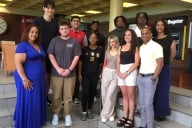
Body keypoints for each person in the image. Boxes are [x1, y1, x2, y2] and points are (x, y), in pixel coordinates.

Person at [47, 20, 81, 126]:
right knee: (56, 95)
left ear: (69, 29)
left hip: (70, 74)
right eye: (62, 28)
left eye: (66, 28)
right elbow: (50, 55)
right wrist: (58, 68)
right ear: (59, 30)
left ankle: (67, 115)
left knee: (68, 96)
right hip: (56, 74)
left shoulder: (74, 42)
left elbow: (77, 57)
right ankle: (56, 114)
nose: (64, 30)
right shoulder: (54, 41)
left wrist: (69, 69)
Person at [14, 24, 47, 128]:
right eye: (32, 32)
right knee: (29, 100)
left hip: (39, 79)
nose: (34, 34)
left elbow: (42, 60)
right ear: (27, 33)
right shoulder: (23, 45)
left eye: (36, 32)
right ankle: (28, 123)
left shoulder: (39, 45)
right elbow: (18, 63)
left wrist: (44, 74)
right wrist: (24, 79)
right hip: (27, 78)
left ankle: (37, 120)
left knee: (37, 100)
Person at [33, 0, 58, 105]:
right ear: (43, 8)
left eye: (52, 8)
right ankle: (36, 96)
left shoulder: (56, 23)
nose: (50, 10)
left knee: (47, 76)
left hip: (51, 54)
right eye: (47, 8)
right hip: (38, 54)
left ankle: (45, 97)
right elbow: (32, 37)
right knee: (38, 75)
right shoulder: (37, 22)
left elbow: (58, 39)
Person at [137, 27, 164, 128]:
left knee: (148, 104)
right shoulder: (142, 47)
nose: (144, 35)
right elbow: (142, 62)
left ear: (151, 34)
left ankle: (150, 126)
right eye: (142, 34)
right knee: (142, 104)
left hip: (150, 78)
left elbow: (160, 63)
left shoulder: (156, 46)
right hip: (141, 77)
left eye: (146, 33)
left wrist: (154, 77)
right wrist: (139, 74)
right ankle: (143, 125)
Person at [152, 19, 176, 121]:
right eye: (158, 25)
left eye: (162, 25)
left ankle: (161, 112)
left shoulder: (170, 39)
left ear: (164, 26)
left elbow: (172, 54)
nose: (160, 27)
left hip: (165, 68)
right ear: (155, 27)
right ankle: (153, 110)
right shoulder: (152, 39)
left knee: (163, 90)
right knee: (154, 90)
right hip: (154, 68)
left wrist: (166, 64)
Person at [116, 29, 140, 128]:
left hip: (131, 71)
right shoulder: (120, 47)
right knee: (124, 95)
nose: (127, 36)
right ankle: (125, 115)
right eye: (125, 35)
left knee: (131, 96)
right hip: (121, 72)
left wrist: (127, 72)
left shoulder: (136, 47)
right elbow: (118, 61)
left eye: (129, 35)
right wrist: (119, 72)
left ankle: (131, 117)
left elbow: (136, 63)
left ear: (132, 36)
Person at [78, 32, 104, 121]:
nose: (92, 40)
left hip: (95, 75)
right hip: (85, 75)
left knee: (92, 94)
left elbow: (101, 64)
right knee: (85, 93)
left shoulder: (100, 50)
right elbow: (80, 62)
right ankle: (83, 112)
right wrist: (79, 74)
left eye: (94, 38)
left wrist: (100, 74)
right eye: (91, 38)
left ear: (97, 40)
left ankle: (89, 110)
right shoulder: (84, 49)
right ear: (88, 39)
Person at [100, 35, 119, 123]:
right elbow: (105, 63)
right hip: (106, 72)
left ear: (116, 42)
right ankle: (111, 114)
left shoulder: (120, 51)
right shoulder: (107, 51)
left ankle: (104, 114)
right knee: (104, 94)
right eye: (110, 42)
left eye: (113, 41)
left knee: (111, 95)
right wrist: (102, 73)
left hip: (116, 73)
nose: (112, 43)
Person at [69, 16, 88, 104]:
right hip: (67, 58)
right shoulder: (67, 31)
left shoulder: (83, 34)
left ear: (80, 23)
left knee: (77, 78)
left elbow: (85, 47)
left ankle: (75, 96)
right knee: (67, 77)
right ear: (71, 23)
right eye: (74, 21)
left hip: (78, 59)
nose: (76, 22)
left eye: (77, 21)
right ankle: (66, 96)